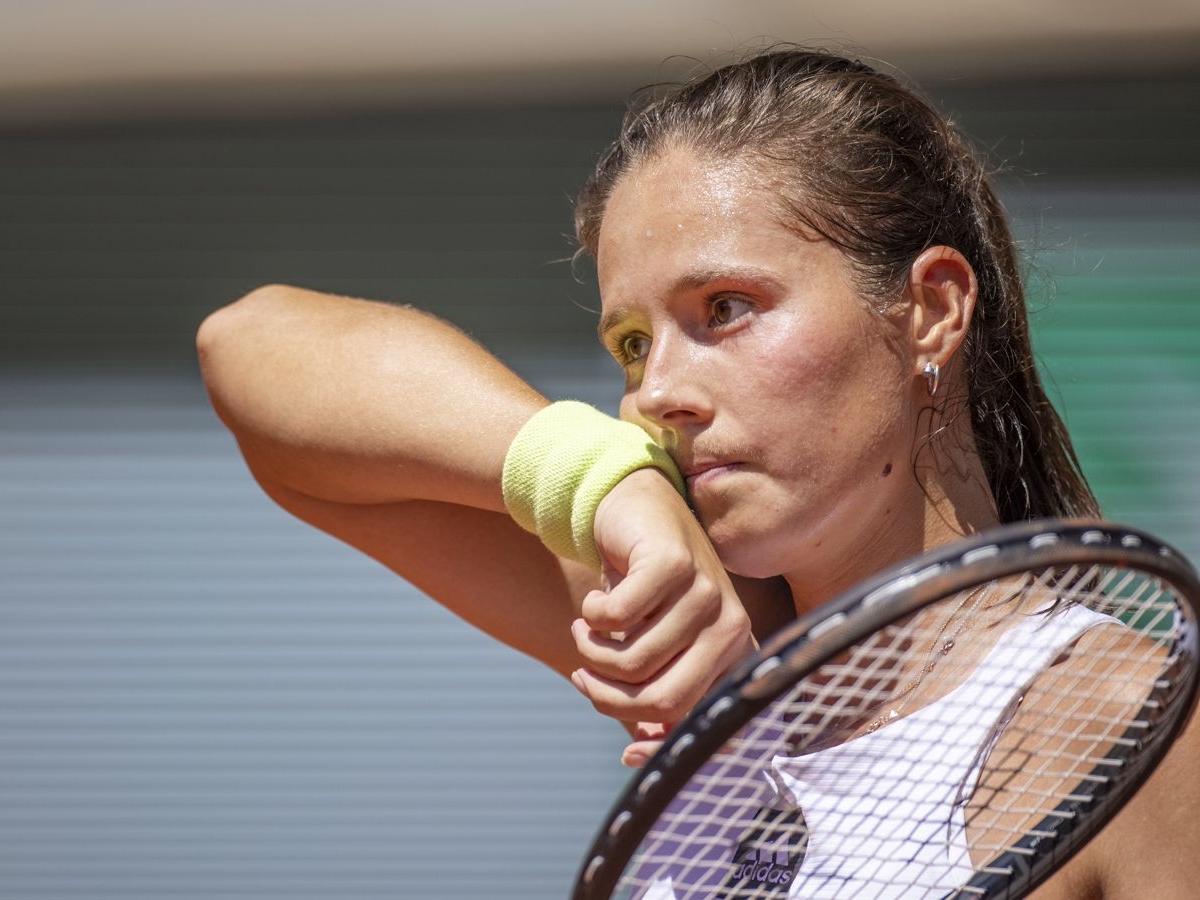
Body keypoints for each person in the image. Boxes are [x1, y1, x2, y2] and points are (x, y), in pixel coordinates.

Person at [197, 48, 1198, 898]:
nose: (656, 395)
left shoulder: (1140, 722)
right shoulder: (702, 640)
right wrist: (603, 480)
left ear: (932, 309)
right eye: (633, 344)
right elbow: (246, 350)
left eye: (726, 308)